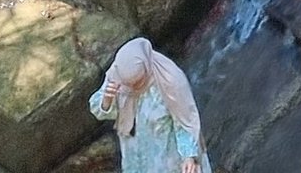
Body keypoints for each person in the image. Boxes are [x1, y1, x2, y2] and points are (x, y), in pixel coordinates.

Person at [90, 37, 211, 173]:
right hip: (134, 150)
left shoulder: (171, 81)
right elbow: (99, 109)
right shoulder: (120, 71)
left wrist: (188, 156)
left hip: (165, 154)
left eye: (136, 82)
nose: (131, 87)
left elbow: (184, 122)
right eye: (128, 84)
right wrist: (107, 99)